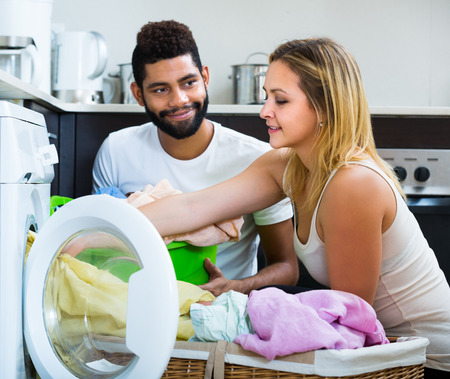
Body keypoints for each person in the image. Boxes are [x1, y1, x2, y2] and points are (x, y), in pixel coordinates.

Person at [137, 37, 450, 376]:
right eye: (266, 96)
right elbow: (192, 209)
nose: (264, 111)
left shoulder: (352, 185)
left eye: (281, 100)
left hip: (426, 361)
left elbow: (348, 320)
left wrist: (248, 305)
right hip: (386, 353)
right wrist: (91, 230)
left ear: (325, 107)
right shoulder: (287, 165)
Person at [92, 20, 298, 296]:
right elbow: (101, 250)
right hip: (138, 306)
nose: (179, 100)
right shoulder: (117, 150)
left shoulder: (257, 159)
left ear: (205, 77)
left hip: (225, 315)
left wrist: (234, 288)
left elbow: (286, 266)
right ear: (138, 94)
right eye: (161, 89)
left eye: (189, 83)